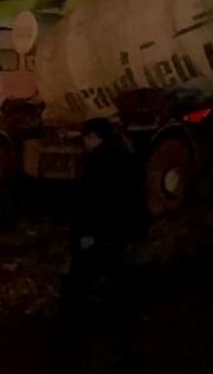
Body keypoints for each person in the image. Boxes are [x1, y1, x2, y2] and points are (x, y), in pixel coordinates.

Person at [65, 118, 149, 313]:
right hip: (125, 228)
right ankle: (120, 309)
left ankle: (83, 314)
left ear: (92, 137)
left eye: (85, 139)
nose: (84, 145)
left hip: (101, 231)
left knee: (86, 272)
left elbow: (94, 200)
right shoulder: (128, 157)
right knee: (117, 270)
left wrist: (88, 233)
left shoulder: (98, 161)